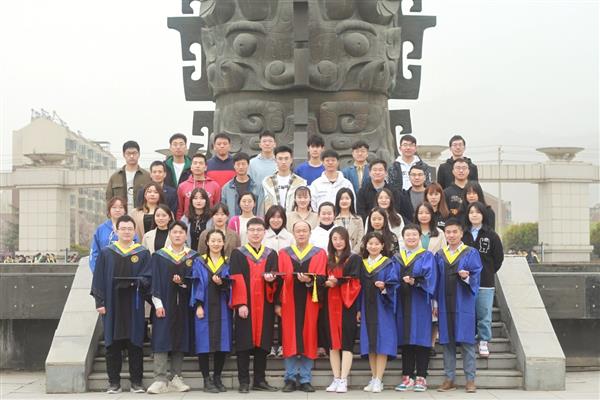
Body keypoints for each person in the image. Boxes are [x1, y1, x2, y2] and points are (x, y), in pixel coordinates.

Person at [90, 215, 151, 394]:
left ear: (134, 231)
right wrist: (99, 302)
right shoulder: (107, 253)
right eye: (123, 229)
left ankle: (136, 382)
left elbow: (149, 277)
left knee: (135, 343)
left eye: (129, 229)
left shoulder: (142, 253)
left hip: (134, 304)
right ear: (116, 231)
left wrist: (139, 281)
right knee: (112, 344)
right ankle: (114, 383)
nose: (126, 232)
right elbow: (98, 279)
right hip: (112, 303)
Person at [276, 220, 327, 393]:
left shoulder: (319, 253)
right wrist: (277, 303)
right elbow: (279, 280)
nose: (301, 233)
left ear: (310, 233)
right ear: (293, 233)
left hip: (310, 303)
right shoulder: (284, 253)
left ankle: (305, 379)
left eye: (304, 230)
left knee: (309, 337)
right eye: (298, 230)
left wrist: (310, 280)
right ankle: (290, 378)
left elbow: (322, 278)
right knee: (289, 338)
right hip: (288, 303)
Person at [229, 218, 279, 393]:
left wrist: (271, 281)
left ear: (264, 232)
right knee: (243, 343)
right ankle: (243, 381)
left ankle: (259, 380)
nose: (256, 233)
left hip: (265, 305)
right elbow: (236, 279)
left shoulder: (271, 254)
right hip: (246, 304)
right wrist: (241, 303)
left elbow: (275, 279)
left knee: (263, 344)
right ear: (247, 232)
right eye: (252, 230)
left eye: (259, 230)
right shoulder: (238, 253)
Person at [146, 221, 196, 394]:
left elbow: (196, 282)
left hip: (183, 305)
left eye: (181, 232)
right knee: (161, 338)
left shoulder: (192, 257)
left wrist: (182, 283)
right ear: (169, 234)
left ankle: (176, 378)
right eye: (174, 232)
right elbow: (155, 281)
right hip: (164, 304)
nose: (178, 235)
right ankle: (160, 379)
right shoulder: (159, 256)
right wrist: (158, 304)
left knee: (179, 338)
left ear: (185, 235)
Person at [435, 218, 483, 393]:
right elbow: (435, 280)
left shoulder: (470, 252)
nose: (451, 235)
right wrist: (435, 302)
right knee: (447, 342)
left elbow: (476, 275)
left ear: (461, 233)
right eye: (448, 232)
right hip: (444, 303)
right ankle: (449, 379)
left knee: (467, 342)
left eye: (455, 232)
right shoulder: (440, 255)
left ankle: (470, 380)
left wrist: (467, 277)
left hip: (463, 303)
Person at [394, 224, 437, 393]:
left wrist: (415, 282)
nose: (411, 238)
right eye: (408, 235)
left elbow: (431, 278)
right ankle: (407, 377)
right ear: (403, 238)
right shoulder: (397, 257)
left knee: (421, 338)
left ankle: (421, 377)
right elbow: (392, 278)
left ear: (419, 237)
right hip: (403, 303)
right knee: (406, 340)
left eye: (414, 235)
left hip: (420, 303)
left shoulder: (427, 256)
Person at [190, 229, 233, 393]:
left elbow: (232, 285)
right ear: (207, 242)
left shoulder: (228, 262)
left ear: (223, 243)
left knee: (222, 342)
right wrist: (198, 306)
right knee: (203, 343)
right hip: (205, 306)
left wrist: (222, 283)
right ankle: (206, 380)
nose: (216, 244)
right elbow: (196, 284)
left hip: (223, 307)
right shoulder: (199, 261)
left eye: (219, 241)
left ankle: (217, 378)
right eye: (213, 241)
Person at [359, 231, 400, 393]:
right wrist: (358, 309)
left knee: (382, 342)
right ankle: (374, 377)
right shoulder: (362, 264)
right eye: (370, 243)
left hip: (383, 308)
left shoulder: (388, 263)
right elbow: (357, 288)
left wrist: (385, 287)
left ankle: (379, 379)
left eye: (377, 244)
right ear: (366, 245)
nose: (373, 246)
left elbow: (394, 284)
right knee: (370, 343)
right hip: (366, 307)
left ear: (382, 246)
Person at [322, 227, 361, 393]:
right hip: (330, 305)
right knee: (333, 344)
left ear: (347, 240)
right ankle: (336, 378)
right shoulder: (327, 259)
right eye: (335, 239)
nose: (338, 242)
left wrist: (336, 282)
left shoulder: (354, 258)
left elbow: (355, 282)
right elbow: (322, 279)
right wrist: (324, 283)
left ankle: (344, 379)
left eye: (341, 238)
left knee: (346, 342)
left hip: (347, 305)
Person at [463, 202, 504, 358]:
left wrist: (488, 271)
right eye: (471, 212)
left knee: (484, 313)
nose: (474, 215)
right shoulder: (463, 234)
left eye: (477, 212)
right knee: (468, 312)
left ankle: (483, 341)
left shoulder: (491, 235)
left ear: (483, 215)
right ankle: (468, 339)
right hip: (465, 282)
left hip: (485, 282)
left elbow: (498, 259)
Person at [90, 197, 137, 272]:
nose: (117, 210)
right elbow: (94, 252)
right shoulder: (101, 229)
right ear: (109, 210)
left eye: (121, 207)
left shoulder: (130, 228)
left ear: (125, 210)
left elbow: (136, 249)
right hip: (105, 270)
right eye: (114, 207)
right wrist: (96, 271)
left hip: (127, 271)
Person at [105, 140, 151, 212]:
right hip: (121, 215)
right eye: (128, 153)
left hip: (142, 214)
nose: (131, 156)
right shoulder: (115, 177)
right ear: (124, 155)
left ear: (139, 154)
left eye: (134, 153)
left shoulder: (147, 176)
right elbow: (109, 198)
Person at [262, 145, 307, 213]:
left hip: (293, 218)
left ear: (291, 160)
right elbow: (265, 204)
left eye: (286, 158)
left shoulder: (301, 182)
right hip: (273, 218)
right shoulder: (267, 182)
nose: (283, 162)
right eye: (280, 159)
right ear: (275, 160)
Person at [176, 153, 221, 219]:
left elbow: (217, 208)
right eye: (195, 163)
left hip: (208, 223)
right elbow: (180, 210)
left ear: (205, 167)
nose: (197, 166)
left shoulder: (215, 186)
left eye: (201, 163)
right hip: (188, 222)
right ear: (191, 167)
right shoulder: (182, 186)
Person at [221, 152, 263, 217]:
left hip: (253, 222)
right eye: (238, 164)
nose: (241, 167)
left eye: (243, 164)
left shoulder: (257, 187)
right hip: (233, 222)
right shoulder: (227, 188)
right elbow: (223, 209)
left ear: (248, 165)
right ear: (234, 166)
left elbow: (260, 209)